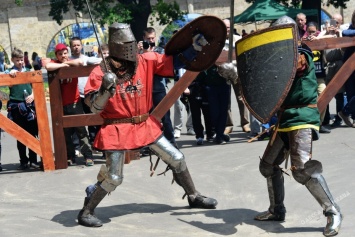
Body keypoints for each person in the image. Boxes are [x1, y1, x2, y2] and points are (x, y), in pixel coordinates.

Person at [77, 22, 217, 227]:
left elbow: (176, 62)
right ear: (116, 47)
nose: (132, 49)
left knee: (177, 158)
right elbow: (94, 107)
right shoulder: (100, 73)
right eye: (127, 45)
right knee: (114, 177)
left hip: (144, 124)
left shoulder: (145, 61)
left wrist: (194, 47)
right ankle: (86, 211)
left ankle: (193, 195)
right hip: (117, 127)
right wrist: (105, 90)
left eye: (133, 44)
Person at [253, 16, 342, 237]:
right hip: (286, 118)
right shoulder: (280, 54)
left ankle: (333, 211)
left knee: (301, 169)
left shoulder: (300, 52)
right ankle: (276, 210)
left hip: (302, 115)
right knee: (268, 166)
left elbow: (289, 67)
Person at [45, 43, 94, 166]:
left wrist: (66, 63)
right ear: (56, 55)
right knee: (65, 132)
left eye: (65, 53)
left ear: (68, 53)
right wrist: (62, 64)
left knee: (81, 130)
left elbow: (80, 63)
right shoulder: (55, 63)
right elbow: (48, 65)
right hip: (61, 104)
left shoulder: (72, 61)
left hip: (75, 102)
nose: (63, 56)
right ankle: (70, 156)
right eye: (60, 54)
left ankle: (88, 156)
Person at [137, 27, 176, 156]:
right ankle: (148, 144)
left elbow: (165, 64)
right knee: (146, 118)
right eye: (148, 39)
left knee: (165, 117)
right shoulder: (139, 52)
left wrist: (151, 53)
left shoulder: (160, 50)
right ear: (143, 39)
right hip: (144, 90)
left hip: (158, 88)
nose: (151, 41)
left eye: (153, 38)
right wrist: (140, 52)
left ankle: (171, 142)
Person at [5, 48, 40, 170]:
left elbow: (36, 86)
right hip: (16, 105)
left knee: (32, 133)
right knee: (20, 135)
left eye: (21, 60)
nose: (20, 62)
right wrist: (10, 75)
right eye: (17, 60)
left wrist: (33, 95)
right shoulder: (9, 72)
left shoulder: (28, 71)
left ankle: (33, 160)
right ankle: (23, 160)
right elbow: (6, 82)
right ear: (12, 60)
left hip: (29, 105)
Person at [69, 37, 102, 157]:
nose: (76, 47)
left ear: (81, 46)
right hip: (74, 96)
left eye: (78, 45)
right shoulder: (68, 60)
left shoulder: (85, 59)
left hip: (86, 94)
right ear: (71, 47)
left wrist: (106, 57)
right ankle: (76, 147)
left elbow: (97, 60)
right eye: (74, 45)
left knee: (93, 119)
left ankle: (95, 144)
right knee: (76, 121)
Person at [337, 10, 355, 128]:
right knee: (351, 92)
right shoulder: (350, 27)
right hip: (349, 65)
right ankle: (351, 116)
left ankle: (345, 112)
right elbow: (344, 32)